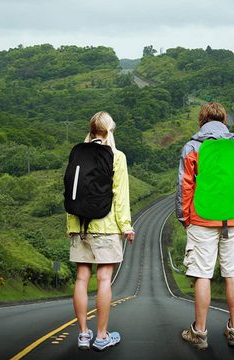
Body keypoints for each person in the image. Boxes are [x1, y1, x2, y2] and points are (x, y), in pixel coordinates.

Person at [176, 102, 234, 350]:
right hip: (232, 219)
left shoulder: (194, 146)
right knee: (233, 272)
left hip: (201, 219)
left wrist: (184, 217)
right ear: (224, 120)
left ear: (202, 121)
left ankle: (199, 333)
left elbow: (185, 186)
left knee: (202, 274)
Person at [67, 111, 135, 351]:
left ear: (92, 129)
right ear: (109, 130)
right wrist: (126, 226)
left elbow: (71, 189)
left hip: (79, 225)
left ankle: (83, 334)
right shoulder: (116, 156)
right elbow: (120, 196)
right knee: (104, 279)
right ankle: (102, 336)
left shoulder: (77, 153)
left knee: (81, 279)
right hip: (105, 227)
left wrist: (71, 227)